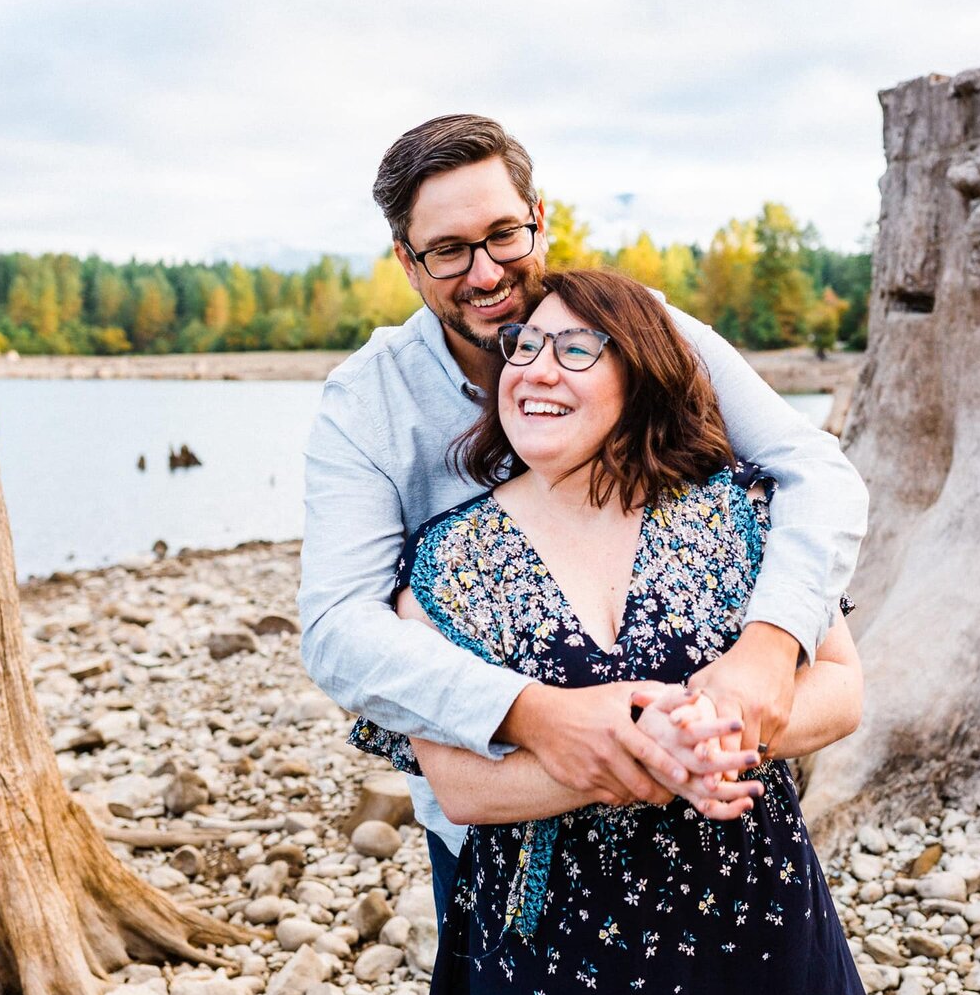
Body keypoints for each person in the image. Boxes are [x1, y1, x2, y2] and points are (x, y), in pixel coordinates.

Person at [297, 114, 870, 917]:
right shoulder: (370, 404)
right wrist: (529, 714)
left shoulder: (644, 329)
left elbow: (815, 469)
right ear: (406, 259)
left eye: (504, 234)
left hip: (719, 811)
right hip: (506, 832)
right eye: (448, 250)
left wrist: (769, 649)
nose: (487, 272)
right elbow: (334, 626)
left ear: (541, 218)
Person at [351, 269, 887, 995]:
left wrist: (722, 734)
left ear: (638, 372)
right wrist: (645, 756)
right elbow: (457, 783)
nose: (535, 368)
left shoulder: (739, 509)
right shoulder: (444, 560)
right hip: (552, 963)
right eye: (523, 347)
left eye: (575, 349)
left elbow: (842, 691)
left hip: (756, 917)